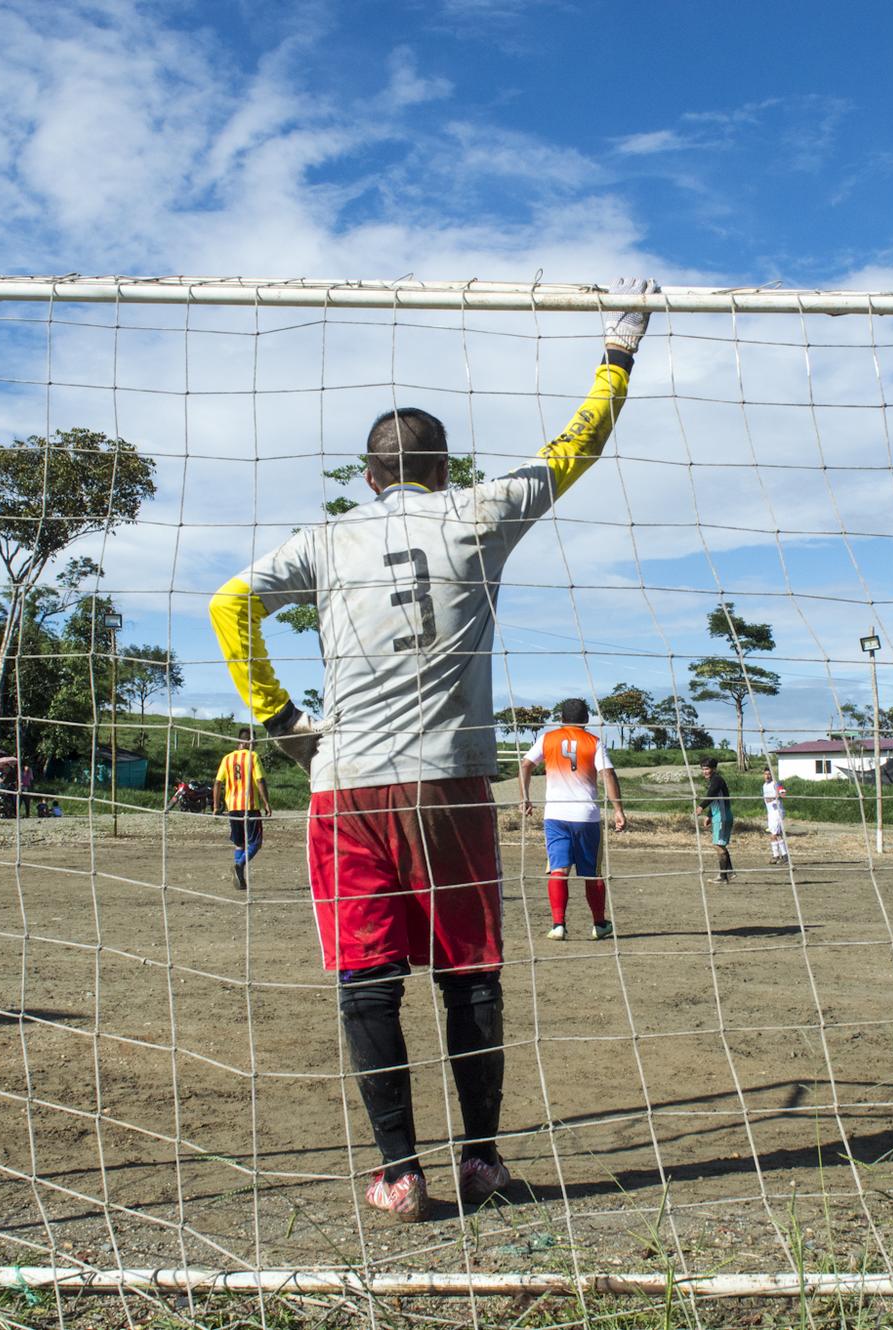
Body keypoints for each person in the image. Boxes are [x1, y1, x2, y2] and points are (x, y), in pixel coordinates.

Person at [208, 277, 656, 1221]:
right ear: (445, 472)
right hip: (452, 782)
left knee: (366, 981)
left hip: (350, 785)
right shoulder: (481, 514)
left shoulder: (326, 541)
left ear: (369, 476)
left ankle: (399, 1173)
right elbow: (579, 445)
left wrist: (283, 719)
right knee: (469, 972)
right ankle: (483, 1161)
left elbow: (229, 601)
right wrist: (619, 345)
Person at [517, 698, 626, 942]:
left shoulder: (547, 739)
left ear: (562, 719)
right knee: (592, 874)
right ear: (587, 719)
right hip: (586, 816)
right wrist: (618, 809)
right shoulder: (594, 742)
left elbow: (525, 765)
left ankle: (558, 925)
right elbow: (607, 773)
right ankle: (599, 924)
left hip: (555, 816)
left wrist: (525, 798)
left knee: (558, 869)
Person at [212, 728, 272, 892]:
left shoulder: (227, 759)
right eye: (255, 743)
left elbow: (217, 783)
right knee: (256, 843)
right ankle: (239, 865)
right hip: (250, 807)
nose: (256, 747)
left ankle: (240, 878)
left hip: (233, 808)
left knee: (239, 844)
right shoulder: (253, 757)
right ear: (248, 742)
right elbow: (260, 780)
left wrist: (216, 806)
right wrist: (266, 802)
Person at [696, 756, 735, 883]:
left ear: (713, 768)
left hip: (722, 817)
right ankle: (729, 872)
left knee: (718, 845)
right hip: (720, 816)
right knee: (720, 844)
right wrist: (709, 815)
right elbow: (715, 799)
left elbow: (711, 794)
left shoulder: (717, 780)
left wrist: (701, 806)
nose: (705, 771)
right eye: (703, 769)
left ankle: (723, 877)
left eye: (707, 769)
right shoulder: (714, 780)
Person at [761, 768, 789, 865]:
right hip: (770, 812)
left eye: (769, 774)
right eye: (765, 774)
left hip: (777, 812)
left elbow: (783, 794)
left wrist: (774, 798)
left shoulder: (776, 784)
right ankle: (783, 856)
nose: (767, 776)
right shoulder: (764, 786)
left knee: (774, 835)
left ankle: (777, 855)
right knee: (776, 834)